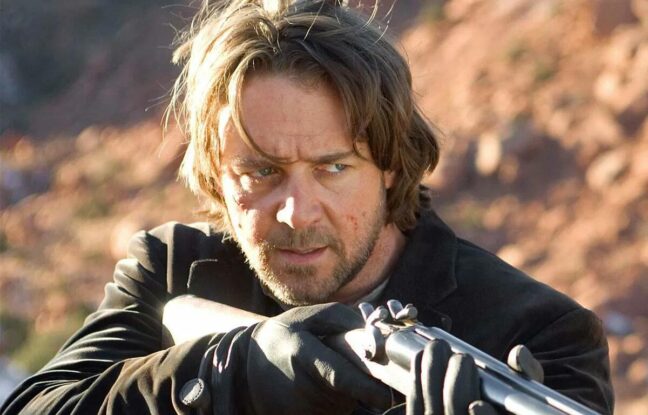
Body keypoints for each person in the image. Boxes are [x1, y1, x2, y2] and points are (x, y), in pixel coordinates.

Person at [2, 1, 613, 414]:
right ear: (215, 172)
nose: (297, 212)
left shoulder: (539, 334)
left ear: (390, 164)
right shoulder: (172, 271)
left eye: (333, 169)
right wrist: (235, 372)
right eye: (262, 171)